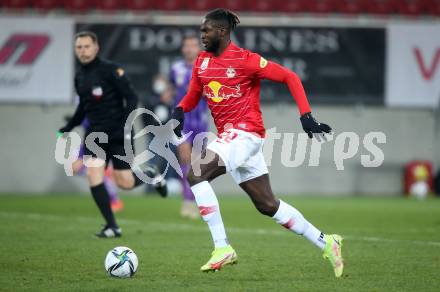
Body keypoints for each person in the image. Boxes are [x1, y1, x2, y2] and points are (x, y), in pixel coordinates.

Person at [171, 9, 343, 277]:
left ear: (223, 32)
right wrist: (180, 109)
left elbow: (290, 77)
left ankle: (222, 247)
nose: (202, 35)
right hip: (233, 139)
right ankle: (326, 241)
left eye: (206, 30)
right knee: (267, 204)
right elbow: (193, 95)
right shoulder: (202, 62)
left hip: (246, 133)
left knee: (195, 173)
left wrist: (306, 115)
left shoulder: (245, 60)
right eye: (201, 30)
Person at [58, 31, 167, 238]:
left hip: (119, 133)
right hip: (95, 136)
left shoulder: (110, 70)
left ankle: (151, 174)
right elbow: (83, 106)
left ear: (96, 47)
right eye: (79, 47)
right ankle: (112, 226)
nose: (83, 51)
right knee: (93, 174)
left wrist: (126, 126)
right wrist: (69, 126)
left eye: (87, 46)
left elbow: (132, 98)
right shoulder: (80, 76)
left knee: (124, 183)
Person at [170, 35, 209, 219]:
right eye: (186, 45)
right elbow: (172, 91)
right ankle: (187, 203)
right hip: (182, 121)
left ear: (198, 48)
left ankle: (196, 202)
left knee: (198, 165)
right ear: (182, 48)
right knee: (185, 159)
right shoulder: (175, 68)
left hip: (200, 121)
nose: (189, 49)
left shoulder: (206, 67)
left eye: (193, 45)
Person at [68, 117, 124, 212]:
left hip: (101, 147)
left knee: (103, 175)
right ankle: (111, 199)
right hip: (89, 146)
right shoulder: (91, 112)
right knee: (74, 168)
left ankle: (114, 201)